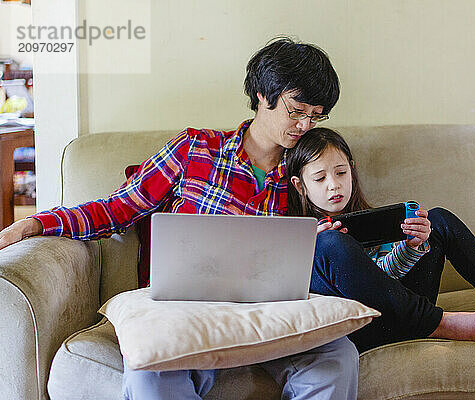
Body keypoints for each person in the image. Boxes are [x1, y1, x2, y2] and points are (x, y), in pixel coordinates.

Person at [0, 38, 359, 400]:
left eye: (315, 116)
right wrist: (36, 223)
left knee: (339, 356)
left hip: (269, 312)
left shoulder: (309, 171)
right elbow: (118, 209)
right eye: (296, 110)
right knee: (150, 373)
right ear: (264, 96)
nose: (304, 125)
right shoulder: (195, 149)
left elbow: (338, 242)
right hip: (187, 309)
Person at [285, 127, 475, 353]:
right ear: (301, 186)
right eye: (320, 178)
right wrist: (313, 250)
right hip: (358, 327)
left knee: (438, 220)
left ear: (352, 170)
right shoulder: (303, 238)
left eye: (341, 173)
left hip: (400, 313)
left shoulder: (369, 222)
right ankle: (440, 323)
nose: (333, 184)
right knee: (331, 244)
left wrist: (411, 248)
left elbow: (383, 280)